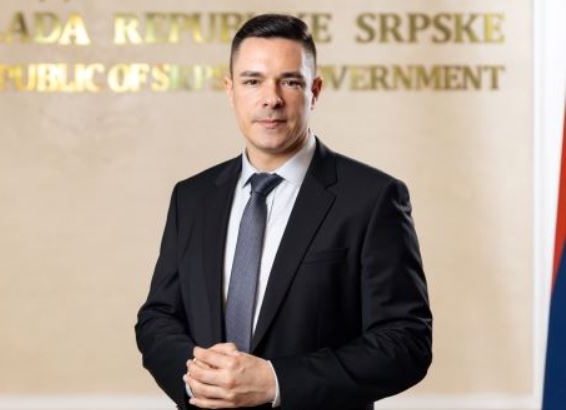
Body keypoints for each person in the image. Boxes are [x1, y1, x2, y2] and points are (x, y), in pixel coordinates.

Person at [135, 13, 432, 410]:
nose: (270, 98)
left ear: (315, 91)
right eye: (252, 81)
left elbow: (406, 341)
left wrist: (277, 382)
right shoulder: (192, 198)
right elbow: (158, 317)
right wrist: (197, 379)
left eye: (290, 81)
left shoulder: (373, 198)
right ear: (230, 90)